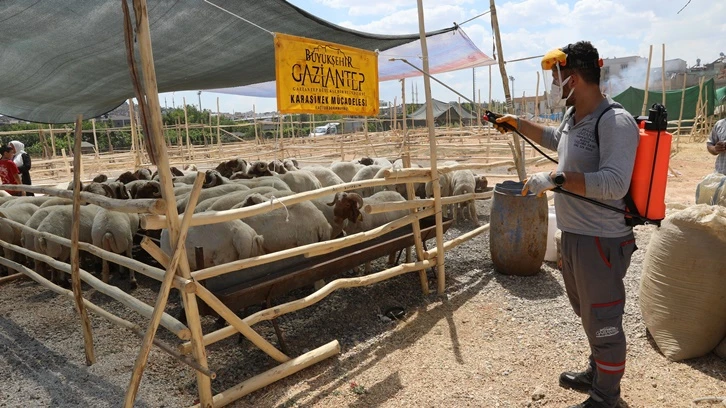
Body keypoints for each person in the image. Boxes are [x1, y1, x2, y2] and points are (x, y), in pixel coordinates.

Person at [492, 41, 639, 408]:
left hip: (602, 239)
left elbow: (614, 183)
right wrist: (517, 124)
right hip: (575, 236)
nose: (554, 87)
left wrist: (555, 180)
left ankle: (607, 397)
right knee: (588, 313)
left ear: (573, 79)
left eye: (556, 79)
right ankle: (597, 373)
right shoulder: (575, 119)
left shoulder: (615, 121)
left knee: (604, 319)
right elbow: (557, 140)